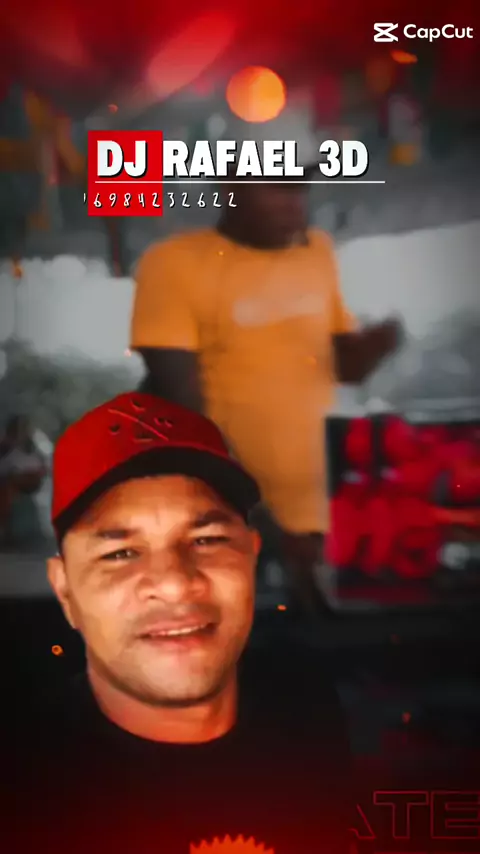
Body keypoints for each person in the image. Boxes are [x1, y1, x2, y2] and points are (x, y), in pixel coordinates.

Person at [2, 392, 353, 854]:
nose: (174, 584)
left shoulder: (308, 709)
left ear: (250, 557)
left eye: (207, 539)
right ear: (65, 590)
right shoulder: (23, 790)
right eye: (120, 553)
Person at [130, 117, 402, 616]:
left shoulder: (316, 251)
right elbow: (181, 412)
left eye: (300, 186)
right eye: (276, 186)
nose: (293, 202)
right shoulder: (173, 264)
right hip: (228, 522)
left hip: (320, 523)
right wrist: (262, 525)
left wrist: (377, 346)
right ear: (228, 187)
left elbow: (343, 369)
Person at [0, 415, 46, 545]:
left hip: (28, 482)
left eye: (24, 429)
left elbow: (40, 467)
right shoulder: (5, 448)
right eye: (18, 430)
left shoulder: (33, 448)